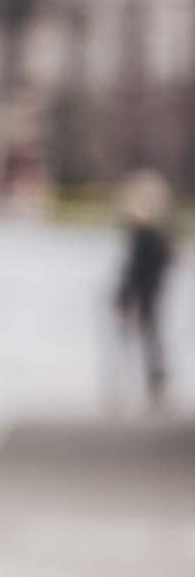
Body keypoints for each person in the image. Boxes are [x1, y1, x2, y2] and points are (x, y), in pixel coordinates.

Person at [113, 168, 175, 408]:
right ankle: (147, 379)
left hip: (145, 293)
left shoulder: (149, 235)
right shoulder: (150, 234)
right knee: (145, 336)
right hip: (144, 292)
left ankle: (147, 379)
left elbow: (142, 268)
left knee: (145, 336)